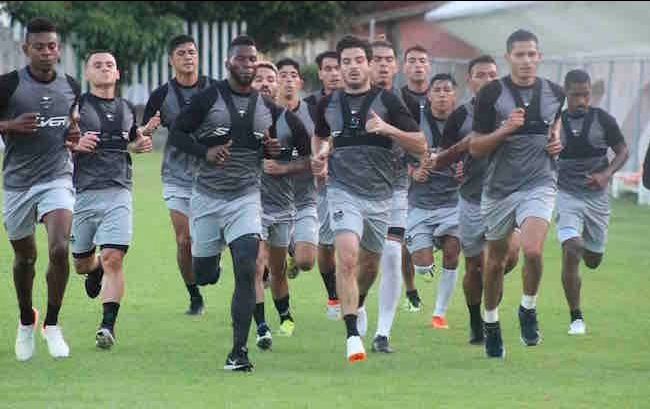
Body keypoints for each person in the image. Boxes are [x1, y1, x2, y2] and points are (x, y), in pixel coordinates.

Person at [170, 35, 281, 372]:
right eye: (242, 59)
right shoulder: (208, 97)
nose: (248, 65)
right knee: (204, 275)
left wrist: (273, 153)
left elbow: (271, 147)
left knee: (247, 270)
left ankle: (238, 352)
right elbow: (176, 133)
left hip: (246, 197)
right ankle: (210, 261)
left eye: (253, 59)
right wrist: (205, 151)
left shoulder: (268, 108)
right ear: (228, 63)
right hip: (206, 197)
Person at [311, 35, 426, 362]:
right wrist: (317, 156)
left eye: (357, 60)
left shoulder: (388, 102)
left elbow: (419, 144)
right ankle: (351, 337)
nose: (351, 67)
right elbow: (320, 135)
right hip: (342, 190)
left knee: (372, 263)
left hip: (382, 196)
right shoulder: (328, 104)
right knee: (346, 256)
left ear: (369, 64)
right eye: (345, 62)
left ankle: (358, 301)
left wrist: (388, 130)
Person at [469, 29, 565, 358]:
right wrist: (505, 129)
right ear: (507, 57)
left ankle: (528, 308)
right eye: (519, 55)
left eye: (531, 54)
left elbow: (555, 129)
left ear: (539, 57)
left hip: (539, 183)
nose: (526, 60)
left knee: (533, 251)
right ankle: (492, 323)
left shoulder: (555, 92)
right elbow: (476, 147)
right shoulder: (491, 94)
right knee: (494, 263)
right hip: (497, 190)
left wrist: (556, 142)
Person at [0, 17, 81, 361]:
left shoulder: (71, 85)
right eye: (39, 47)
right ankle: (24, 320)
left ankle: (52, 323)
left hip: (56, 177)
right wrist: (8, 125)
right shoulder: (7, 85)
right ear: (25, 49)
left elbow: (69, 125)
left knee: (60, 249)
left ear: (58, 48)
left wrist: (72, 135)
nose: (47, 53)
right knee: (26, 258)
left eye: (52, 46)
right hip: (17, 182)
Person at [435, 55, 521, 344]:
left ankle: (491, 312)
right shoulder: (460, 116)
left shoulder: (514, 110)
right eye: (480, 75)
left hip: (509, 196)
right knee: (475, 266)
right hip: (472, 199)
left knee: (506, 259)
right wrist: (454, 165)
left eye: (492, 75)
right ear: (470, 80)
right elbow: (444, 156)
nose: (487, 80)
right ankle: (477, 321)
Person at [70, 50, 153, 349]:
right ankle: (93, 270)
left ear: (117, 74)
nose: (104, 69)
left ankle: (107, 326)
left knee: (113, 257)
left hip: (119, 190)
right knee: (81, 264)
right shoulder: (76, 107)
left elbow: (131, 139)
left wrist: (139, 143)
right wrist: (75, 145)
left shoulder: (127, 107)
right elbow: (57, 141)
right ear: (87, 73)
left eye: (110, 65)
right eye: (97, 65)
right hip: (81, 192)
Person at [142, 35, 217, 316]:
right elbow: (140, 134)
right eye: (182, 53)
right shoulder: (161, 95)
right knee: (184, 240)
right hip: (177, 176)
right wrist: (146, 132)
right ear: (171, 60)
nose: (188, 57)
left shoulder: (215, 89)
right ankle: (194, 295)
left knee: (211, 240)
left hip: (213, 177)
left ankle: (211, 262)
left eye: (192, 52)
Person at [555, 69, 628, 335]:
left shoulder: (603, 120)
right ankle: (576, 317)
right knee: (572, 248)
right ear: (566, 94)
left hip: (596, 200)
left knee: (593, 259)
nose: (581, 100)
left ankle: (586, 245)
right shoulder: (555, 122)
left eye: (585, 94)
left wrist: (606, 174)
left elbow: (622, 150)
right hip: (565, 195)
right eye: (575, 95)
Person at [250, 61, 310, 350]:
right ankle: (261, 326)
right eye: (258, 78)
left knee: (277, 269)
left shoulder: (291, 122)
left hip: (283, 206)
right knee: (254, 264)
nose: (264, 83)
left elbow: (310, 162)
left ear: (276, 86)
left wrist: (283, 168)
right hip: (250, 206)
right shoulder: (239, 121)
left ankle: (284, 313)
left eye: (269, 79)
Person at [406, 73, 460, 330]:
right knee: (423, 265)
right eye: (437, 89)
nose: (441, 94)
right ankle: (422, 262)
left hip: (452, 203)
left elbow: (475, 152)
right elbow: (397, 154)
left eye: (446, 89)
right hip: (420, 203)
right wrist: (413, 172)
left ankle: (439, 313)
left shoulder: (463, 123)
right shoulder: (415, 123)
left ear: (454, 95)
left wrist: (465, 170)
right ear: (428, 95)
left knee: (452, 252)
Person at [368, 38, 405, 353]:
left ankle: (382, 333)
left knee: (392, 256)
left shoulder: (404, 101)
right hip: (355, 190)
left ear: (395, 65)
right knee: (360, 260)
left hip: (396, 188)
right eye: (376, 58)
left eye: (387, 59)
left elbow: (421, 142)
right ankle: (358, 307)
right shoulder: (350, 99)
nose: (382, 64)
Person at [304, 50, 343, 320]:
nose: (334, 73)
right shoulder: (309, 105)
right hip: (322, 184)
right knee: (327, 246)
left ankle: (356, 301)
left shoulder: (360, 100)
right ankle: (333, 296)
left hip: (356, 182)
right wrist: (316, 159)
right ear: (320, 73)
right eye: (327, 68)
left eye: (337, 67)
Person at [276, 58, 318, 282]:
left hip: (304, 198)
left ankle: (294, 250)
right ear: (275, 81)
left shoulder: (313, 114)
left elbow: (323, 148)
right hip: (270, 201)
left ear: (300, 82)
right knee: (264, 266)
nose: (288, 80)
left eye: (293, 75)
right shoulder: (265, 114)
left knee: (306, 262)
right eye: (283, 75)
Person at [400, 44, 433, 312]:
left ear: (429, 66)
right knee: (401, 236)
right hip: (403, 176)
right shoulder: (396, 99)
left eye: (422, 60)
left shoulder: (440, 96)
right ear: (404, 67)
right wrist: (411, 170)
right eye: (412, 60)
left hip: (438, 175)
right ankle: (410, 289)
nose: (418, 65)